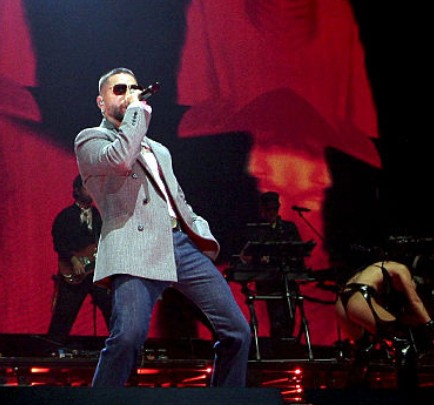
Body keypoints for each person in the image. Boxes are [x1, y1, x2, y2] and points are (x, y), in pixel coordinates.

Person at [75, 67, 250, 387]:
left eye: (133, 88)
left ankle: (226, 398)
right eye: (119, 90)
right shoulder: (91, 139)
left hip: (180, 244)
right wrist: (136, 113)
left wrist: (197, 227)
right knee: (128, 337)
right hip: (134, 245)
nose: (129, 94)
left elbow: (177, 198)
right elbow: (120, 160)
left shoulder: (159, 149)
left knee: (237, 331)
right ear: (101, 102)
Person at [334, 260, 434, 388]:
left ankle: (354, 391)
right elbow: (415, 302)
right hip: (359, 296)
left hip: (342, 301)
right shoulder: (402, 268)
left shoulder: (375, 270)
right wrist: (433, 332)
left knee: (365, 346)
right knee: (403, 341)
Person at [45, 175, 111, 347]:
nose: (91, 191)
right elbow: (58, 242)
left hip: (96, 274)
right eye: (86, 187)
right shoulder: (65, 216)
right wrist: (73, 259)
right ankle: (52, 351)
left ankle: (122, 348)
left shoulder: (98, 216)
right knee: (64, 315)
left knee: (111, 309)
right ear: (77, 190)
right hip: (74, 274)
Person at [246, 191, 305, 343]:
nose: (272, 212)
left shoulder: (288, 228)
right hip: (269, 281)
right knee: (277, 317)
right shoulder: (257, 229)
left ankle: (288, 343)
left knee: (290, 316)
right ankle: (278, 344)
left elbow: (298, 250)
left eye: (275, 209)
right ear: (262, 209)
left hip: (288, 278)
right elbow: (249, 254)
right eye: (269, 209)